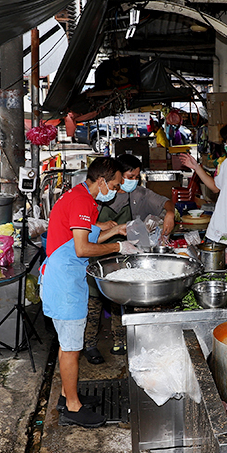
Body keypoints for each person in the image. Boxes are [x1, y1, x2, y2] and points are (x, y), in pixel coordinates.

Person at [40, 157, 139, 428]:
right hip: (64, 284)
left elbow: (82, 236)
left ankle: (66, 395)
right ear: (102, 181)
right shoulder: (83, 201)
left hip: (65, 279)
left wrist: (117, 230)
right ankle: (72, 407)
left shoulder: (80, 195)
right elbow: (83, 248)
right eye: (116, 185)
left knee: (68, 345)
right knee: (72, 348)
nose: (118, 190)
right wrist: (120, 248)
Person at [84, 153, 176, 361]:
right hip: (96, 251)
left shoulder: (138, 194)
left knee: (119, 299)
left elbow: (165, 203)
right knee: (94, 301)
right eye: (130, 176)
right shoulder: (100, 194)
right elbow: (82, 227)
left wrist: (169, 214)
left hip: (121, 252)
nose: (134, 181)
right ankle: (90, 345)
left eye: (137, 176)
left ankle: (120, 341)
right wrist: (104, 227)